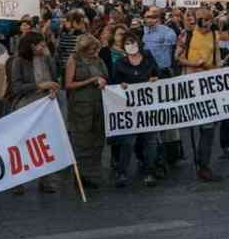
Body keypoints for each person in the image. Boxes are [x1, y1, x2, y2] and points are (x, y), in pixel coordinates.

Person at [8, 32, 60, 194]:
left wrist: (52, 89)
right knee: (23, 143)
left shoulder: (46, 59)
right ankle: (18, 181)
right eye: (41, 45)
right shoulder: (18, 61)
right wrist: (40, 86)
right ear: (32, 46)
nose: (44, 48)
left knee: (46, 143)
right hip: (26, 105)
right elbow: (16, 87)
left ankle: (46, 180)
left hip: (46, 104)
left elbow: (54, 78)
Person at [110, 30, 161, 187]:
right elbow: (113, 83)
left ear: (138, 43)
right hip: (129, 110)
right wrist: (120, 85)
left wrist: (155, 78)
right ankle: (122, 173)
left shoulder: (148, 58)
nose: (130, 46)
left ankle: (150, 172)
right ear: (123, 47)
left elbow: (158, 74)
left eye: (133, 42)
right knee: (128, 142)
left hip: (148, 108)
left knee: (150, 141)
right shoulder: (120, 63)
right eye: (127, 43)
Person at [177, 7, 221, 182]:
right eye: (203, 20)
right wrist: (194, 64)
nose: (207, 23)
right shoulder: (185, 36)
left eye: (209, 20)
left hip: (209, 85)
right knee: (195, 125)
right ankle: (197, 159)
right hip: (190, 85)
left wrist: (213, 69)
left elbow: (217, 61)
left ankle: (204, 165)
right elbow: (177, 58)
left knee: (208, 127)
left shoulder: (214, 36)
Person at [65, 33, 108, 189]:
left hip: (98, 104)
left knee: (97, 140)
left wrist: (103, 80)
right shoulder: (74, 60)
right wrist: (91, 80)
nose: (93, 51)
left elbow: (106, 76)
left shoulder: (99, 60)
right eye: (90, 49)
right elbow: (68, 84)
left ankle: (93, 174)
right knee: (82, 141)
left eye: (95, 48)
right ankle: (81, 176)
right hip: (80, 106)